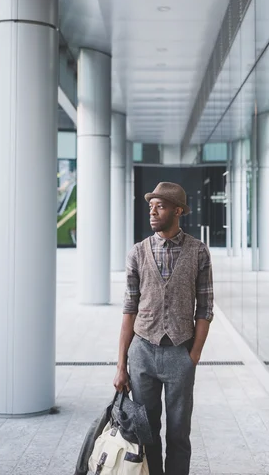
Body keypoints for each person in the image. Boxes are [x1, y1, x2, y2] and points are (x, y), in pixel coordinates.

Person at [114, 182, 214, 475]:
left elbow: (206, 308)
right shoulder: (137, 252)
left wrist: (192, 356)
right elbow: (129, 310)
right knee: (147, 432)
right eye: (151, 207)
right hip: (142, 352)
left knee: (179, 434)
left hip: (179, 352)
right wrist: (121, 365)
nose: (153, 212)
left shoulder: (198, 252)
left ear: (178, 211)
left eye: (160, 206)